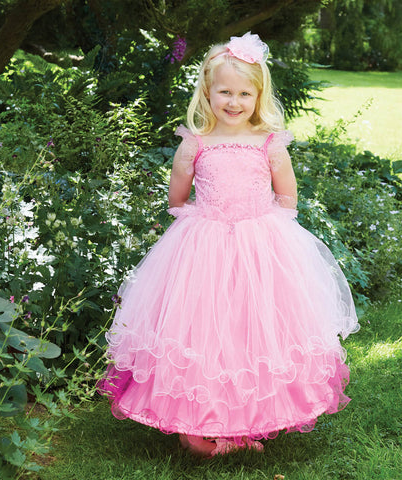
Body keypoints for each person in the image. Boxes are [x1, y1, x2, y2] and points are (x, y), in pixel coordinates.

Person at [99, 32, 359, 458]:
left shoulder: (271, 142)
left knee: (254, 330)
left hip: (261, 245)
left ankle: (249, 422)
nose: (234, 102)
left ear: (258, 96)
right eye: (224, 92)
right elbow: (177, 199)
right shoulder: (195, 143)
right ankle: (200, 425)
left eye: (244, 93)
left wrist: (263, 228)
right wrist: (209, 223)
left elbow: (288, 196)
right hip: (204, 248)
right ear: (207, 91)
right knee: (206, 329)